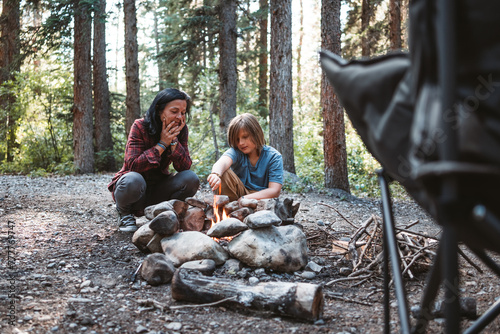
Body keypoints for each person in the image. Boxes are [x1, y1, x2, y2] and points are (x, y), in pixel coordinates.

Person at [108, 88, 200, 232]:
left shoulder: (182, 129)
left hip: (159, 190)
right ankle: (124, 214)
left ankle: (166, 214)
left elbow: (185, 167)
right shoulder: (140, 126)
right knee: (133, 179)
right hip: (134, 189)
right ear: (159, 110)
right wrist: (162, 144)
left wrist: (173, 142)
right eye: (174, 111)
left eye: (183, 113)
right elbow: (133, 165)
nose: (180, 118)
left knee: (191, 178)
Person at [207, 113, 283, 202]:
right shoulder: (236, 152)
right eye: (237, 139)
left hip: (262, 198)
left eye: (245, 137)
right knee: (223, 172)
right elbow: (223, 162)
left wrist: (245, 198)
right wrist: (215, 174)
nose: (241, 143)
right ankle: (229, 208)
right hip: (237, 195)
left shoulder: (274, 156)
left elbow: (275, 190)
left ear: (256, 134)